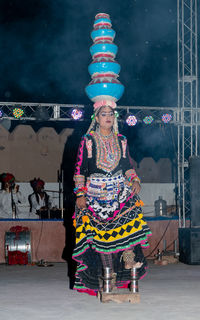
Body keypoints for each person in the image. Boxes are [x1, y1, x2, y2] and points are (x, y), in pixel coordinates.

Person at [72, 100, 152, 295]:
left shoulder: (122, 140)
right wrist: (80, 194)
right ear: (96, 118)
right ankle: (109, 276)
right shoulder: (88, 140)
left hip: (119, 191)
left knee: (133, 217)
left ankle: (128, 257)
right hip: (95, 196)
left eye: (111, 113)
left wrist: (135, 180)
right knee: (102, 240)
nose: (108, 117)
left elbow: (127, 166)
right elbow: (80, 169)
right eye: (104, 114)